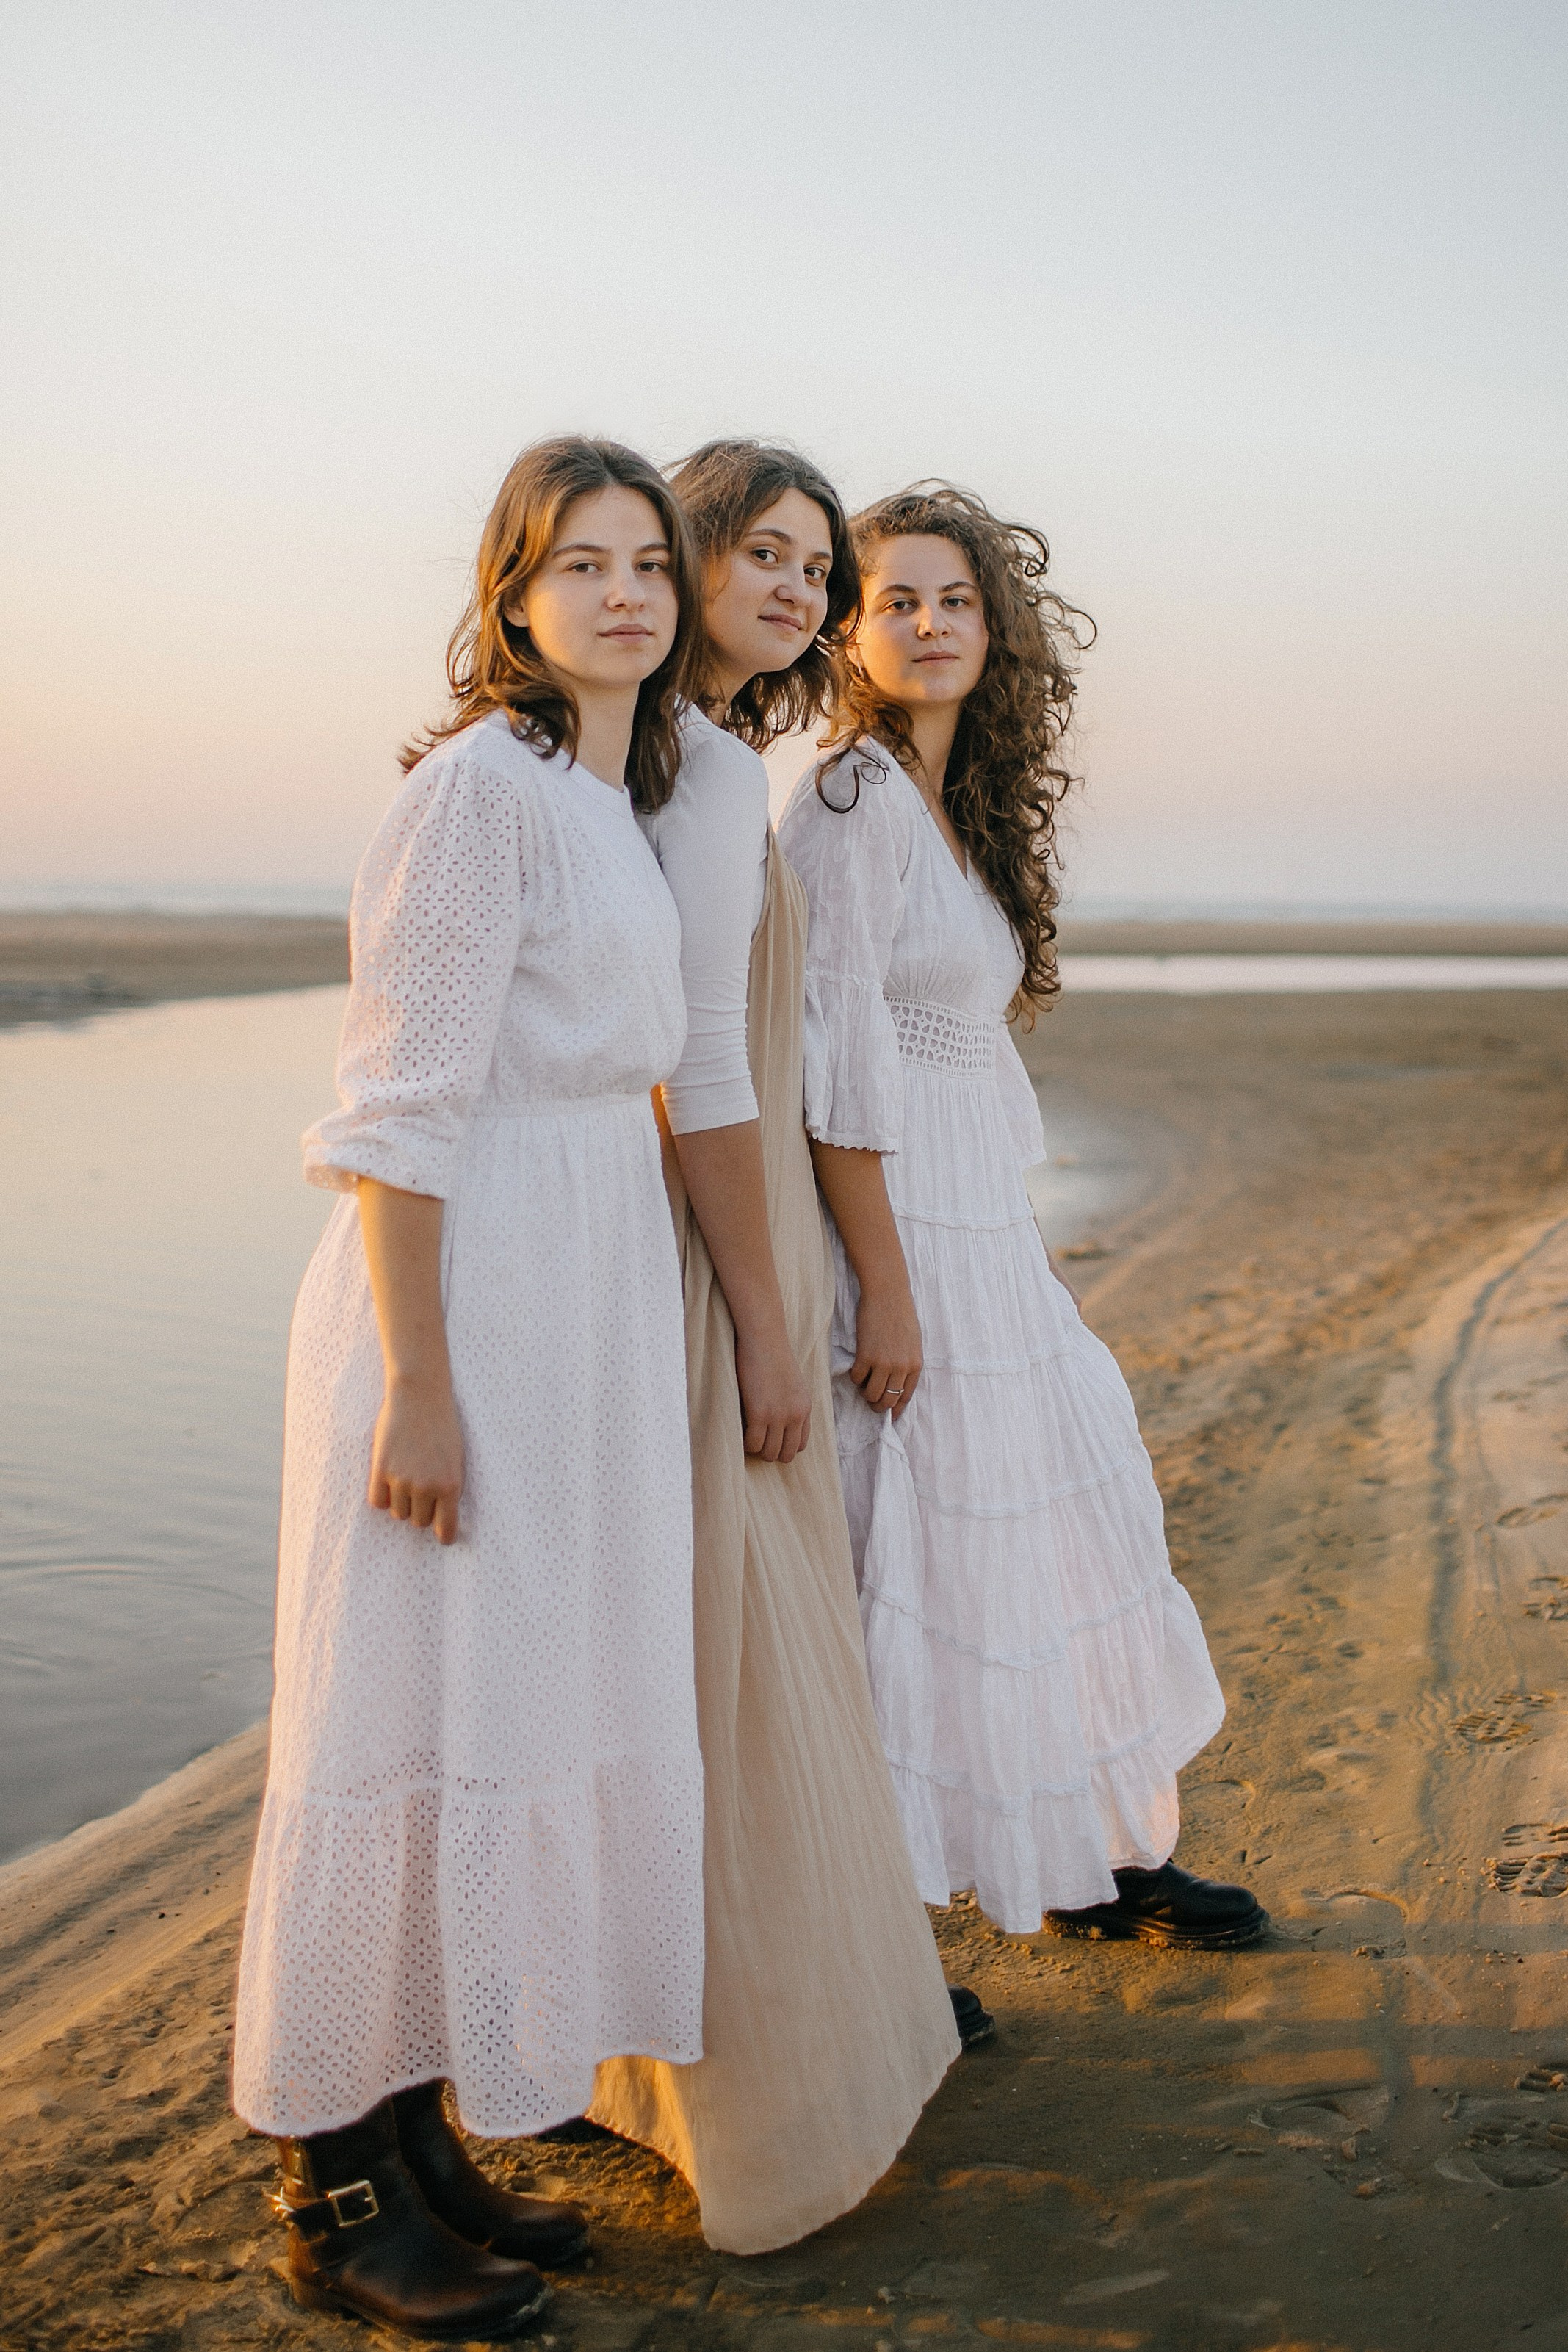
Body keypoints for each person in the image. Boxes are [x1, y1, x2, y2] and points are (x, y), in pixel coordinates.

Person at [232, 437, 709, 2337]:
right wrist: (416, 1384)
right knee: (388, 1717)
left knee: (496, 1701)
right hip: (460, 1298)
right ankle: (333, 2191)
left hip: (574, 1289)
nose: (622, 593)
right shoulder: (473, 796)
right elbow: (396, 1113)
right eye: (577, 563)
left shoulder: (605, 794)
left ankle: (429, 2143)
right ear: (510, 598)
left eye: (647, 563)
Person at [778, 483, 1263, 1952]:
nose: (931, 625)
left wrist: (991, 1245)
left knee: (1057, 1532)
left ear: (996, 628)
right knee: (913, 1572)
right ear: (849, 633)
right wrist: (889, 1288)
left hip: (976, 1226)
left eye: (957, 601)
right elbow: (829, 1074)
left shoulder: (945, 801)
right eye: (898, 602)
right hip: (899, 1240)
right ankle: (882, 1947)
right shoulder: (847, 801)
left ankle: (1091, 1856)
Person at [588, 441, 961, 2256]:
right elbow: (705, 1069)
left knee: (698, 1653)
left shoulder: (673, 757)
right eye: (767, 549)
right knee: (730, 1660)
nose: (805, 587)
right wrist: (770, 1318)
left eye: (824, 563)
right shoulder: (700, 770)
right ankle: (753, 2088)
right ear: (684, 546)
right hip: (699, 1255)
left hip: (679, 1239)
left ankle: (656, 2063)